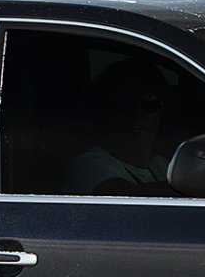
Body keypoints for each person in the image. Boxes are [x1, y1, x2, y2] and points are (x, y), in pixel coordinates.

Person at [64, 58, 175, 196]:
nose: (138, 112)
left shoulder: (160, 165)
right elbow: (128, 199)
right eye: (125, 102)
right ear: (106, 109)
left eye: (150, 102)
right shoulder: (88, 164)